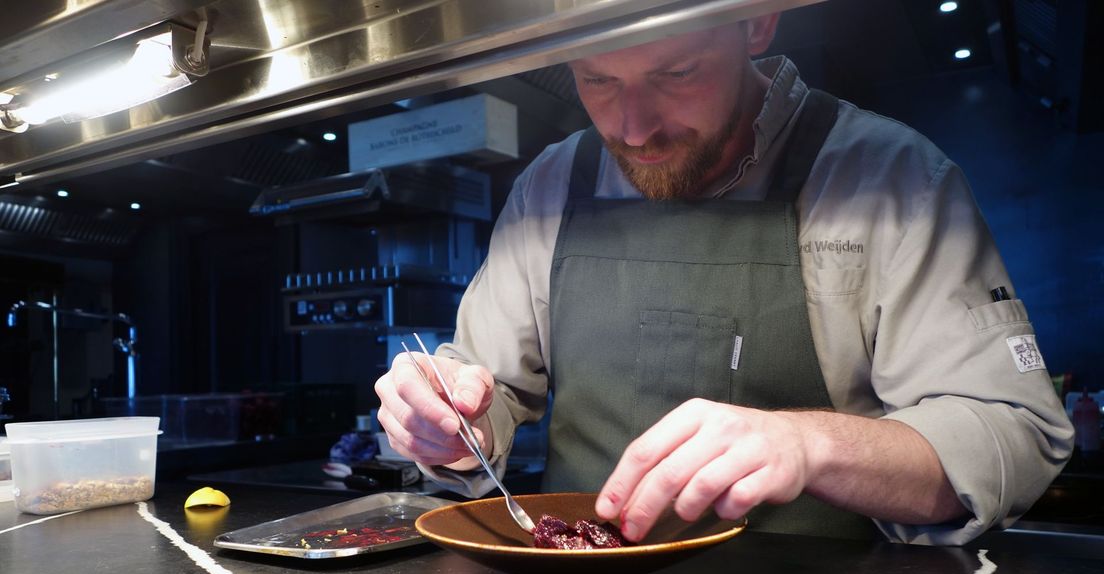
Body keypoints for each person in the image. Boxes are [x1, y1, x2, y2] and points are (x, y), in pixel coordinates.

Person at [375, 14, 1073, 545]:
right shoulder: (551, 185)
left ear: (757, 22)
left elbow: (1011, 433)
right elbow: (481, 397)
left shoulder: (889, 179)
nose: (634, 128)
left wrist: (810, 444)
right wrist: (445, 421)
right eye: (597, 80)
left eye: (676, 74)